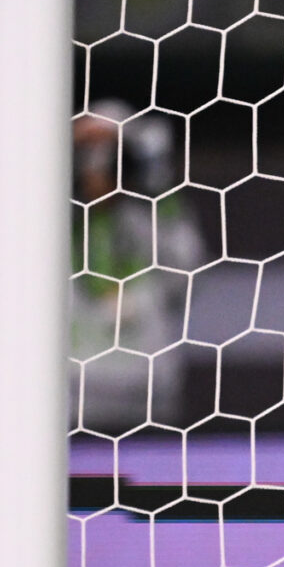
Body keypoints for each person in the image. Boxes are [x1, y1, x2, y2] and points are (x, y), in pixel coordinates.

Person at [70, 102, 198, 433]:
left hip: (148, 395)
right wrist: (50, 145)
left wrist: (148, 180)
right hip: (73, 395)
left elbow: (186, 272)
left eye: (108, 153)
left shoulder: (152, 218)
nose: (97, 164)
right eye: (88, 153)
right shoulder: (49, 220)